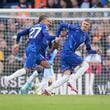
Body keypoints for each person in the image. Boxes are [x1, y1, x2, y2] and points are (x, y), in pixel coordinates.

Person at [43, 19, 101, 96]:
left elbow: (89, 50)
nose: (85, 25)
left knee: (66, 77)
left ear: (89, 26)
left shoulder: (86, 36)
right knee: (86, 65)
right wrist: (57, 36)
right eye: (84, 24)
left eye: (87, 24)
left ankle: (48, 89)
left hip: (66, 54)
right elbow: (62, 25)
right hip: (67, 52)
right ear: (81, 23)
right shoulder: (75, 28)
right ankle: (73, 80)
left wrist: (95, 51)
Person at [3, 15, 61, 89]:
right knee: (27, 69)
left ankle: (45, 89)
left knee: (47, 65)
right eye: (48, 21)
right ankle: (7, 78)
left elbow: (19, 34)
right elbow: (48, 37)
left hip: (32, 50)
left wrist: (16, 43)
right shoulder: (43, 27)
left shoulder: (32, 27)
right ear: (42, 21)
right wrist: (56, 37)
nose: (49, 23)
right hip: (34, 50)